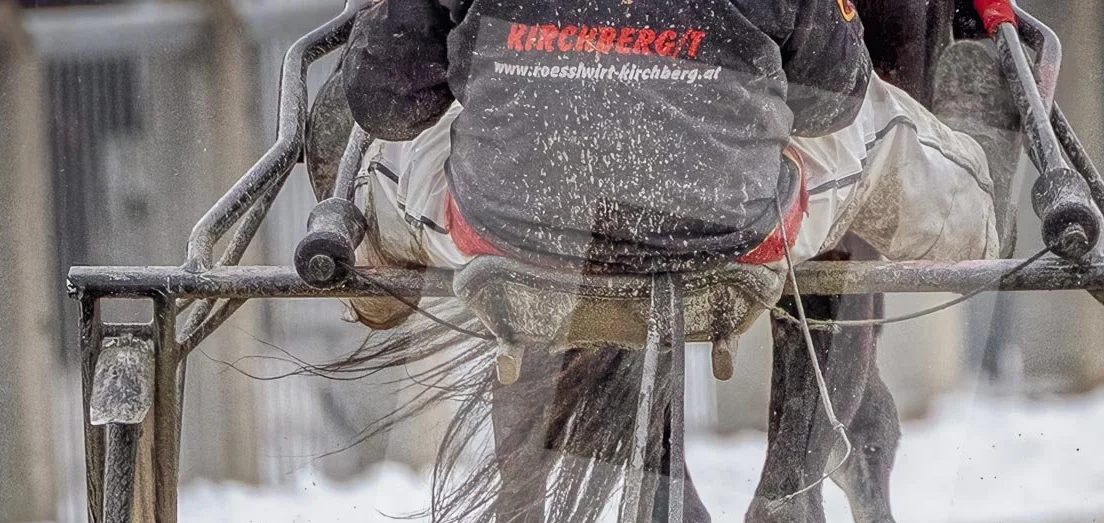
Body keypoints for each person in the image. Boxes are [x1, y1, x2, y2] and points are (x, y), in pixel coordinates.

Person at [341, 0, 1011, 327]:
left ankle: (372, 292)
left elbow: (386, 103)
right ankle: (981, 235)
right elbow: (831, 99)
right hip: (731, 238)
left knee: (376, 156)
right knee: (881, 123)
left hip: (506, 236)